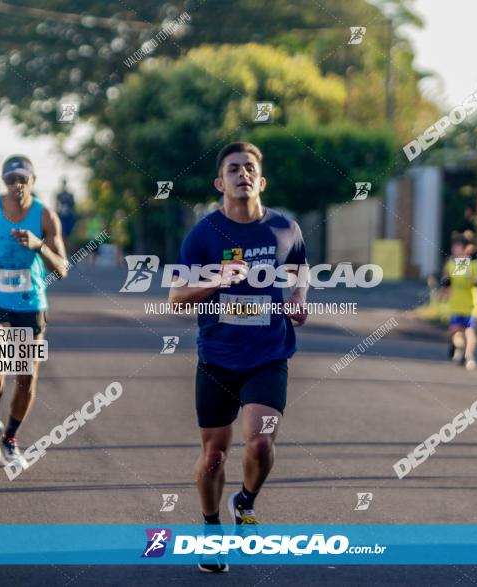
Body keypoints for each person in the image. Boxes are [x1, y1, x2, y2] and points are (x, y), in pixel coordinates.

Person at [168, 142, 308, 573]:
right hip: (217, 358)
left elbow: (300, 273)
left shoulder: (286, 229)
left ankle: (244, 501)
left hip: (268, 355)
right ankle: (211, 531)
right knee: (213, 455)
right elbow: (176, 298)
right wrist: (217, 281)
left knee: (261, 442)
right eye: (233, 168)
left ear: (260, 180)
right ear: (220, 182)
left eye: (249, 168)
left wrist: (299, 298)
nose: (242, 174)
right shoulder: (204, 235)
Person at [0, 155, 69, 468]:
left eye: (22, 179)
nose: (16, 185)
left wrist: (38, 245)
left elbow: (62, 268)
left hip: (30, 301)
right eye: (10, 180)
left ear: (33, 180)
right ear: (4, 182)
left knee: (27, 378)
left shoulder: (45, 216)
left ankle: (10, 438)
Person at [441, 232, 477, 370]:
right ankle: (456, 348)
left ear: (464, 248)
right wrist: (445, 290)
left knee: (469, 331)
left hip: (470, 305)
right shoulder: (451, 264)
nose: (454, 249)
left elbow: (475, 281)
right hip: (455, 305)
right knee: (455, 332)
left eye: (457, 247)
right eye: (454, 247)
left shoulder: (473, 264)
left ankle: (468, 356)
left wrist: (474, 279)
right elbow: (446, 281)